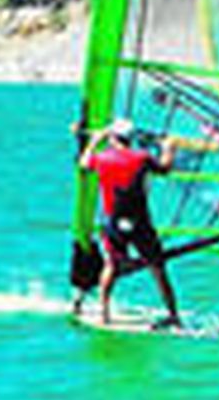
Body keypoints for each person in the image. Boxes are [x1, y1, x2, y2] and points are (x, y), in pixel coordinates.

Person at [77, 117, 183, 328]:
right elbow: (165, 168)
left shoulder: (102, 158)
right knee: (158, 268)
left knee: (111, 266)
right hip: (140, 223)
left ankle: (104, 313)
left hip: (113, 223)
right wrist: (170, 148)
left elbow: (83, 163)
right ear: (130, 138)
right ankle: (173, 315)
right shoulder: (142, 158)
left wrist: (96, 139)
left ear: (113, 138)